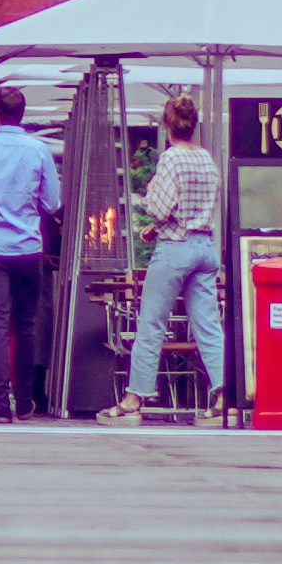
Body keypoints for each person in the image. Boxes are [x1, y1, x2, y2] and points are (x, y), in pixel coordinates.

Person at [114, 94, 226, 426]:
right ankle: (223, 396)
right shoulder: (207, 158)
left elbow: (160, 207)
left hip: (175, 248)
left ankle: (135, 398)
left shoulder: (170, 159)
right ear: (195, 125)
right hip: (205, 246)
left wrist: (150, 196)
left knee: (151, 324)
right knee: (208, 325)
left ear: (167, 125)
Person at [0, 82, 67, 417]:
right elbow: (52, 203)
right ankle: (24, 400)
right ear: (22, 115)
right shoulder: (38, 151)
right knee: (26, 323)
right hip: (27, 248)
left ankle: (0, 405)